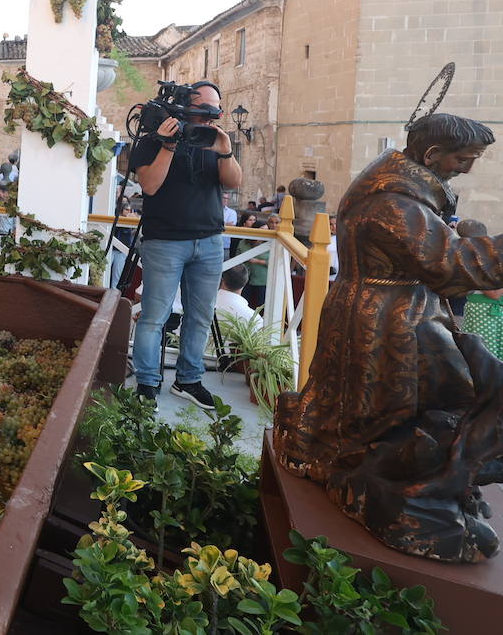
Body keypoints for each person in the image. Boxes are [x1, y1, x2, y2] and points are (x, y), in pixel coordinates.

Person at [273, 113, 503, 563]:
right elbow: (450, 265)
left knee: (381, 409)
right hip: (389, 320)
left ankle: (433, 483)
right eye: (464, 158)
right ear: (432, 155)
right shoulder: (394, 202)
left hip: (384, 310)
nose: (467, 168)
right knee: (408, 408)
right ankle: (411, 492)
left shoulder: (397, 188)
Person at [129, 81, 242, 409]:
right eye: (205, 109)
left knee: (201, 315)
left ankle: (189, 380)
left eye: (215, 110)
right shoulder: (152, 140)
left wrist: (226, 149)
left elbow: (233, 182)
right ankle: (147, 383)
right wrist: (168, 145)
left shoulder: (213, 142)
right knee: (154, 316)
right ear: (186, 107)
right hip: (165, 242)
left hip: (208, 241)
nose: (211, 116)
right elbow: (149, 186)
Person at [236, 212, 270, 309]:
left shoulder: (271, 245)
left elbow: (275, 263)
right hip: (244, 279)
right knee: (243, 305)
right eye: (262, 230)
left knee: (260, 306)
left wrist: (258, 261)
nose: (266, 233)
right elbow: (236, 259)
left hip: (262, 280)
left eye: (267, 230)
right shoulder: (243, 243)